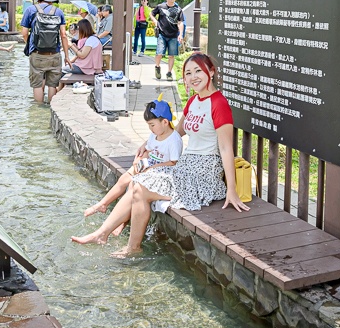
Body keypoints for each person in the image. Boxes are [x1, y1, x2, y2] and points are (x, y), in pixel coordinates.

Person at [72, 53, 248, 256]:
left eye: (198, 71)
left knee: (141, 188)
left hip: (204, 172)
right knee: (137, 180)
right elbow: (176, 132)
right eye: (188, 73)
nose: (193, 77)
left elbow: (226, 149)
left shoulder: (219, 104)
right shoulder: (193, 101)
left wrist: (232, 190)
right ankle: (105, 234)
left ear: (211, 71)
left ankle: (128, 245)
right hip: (184, 166)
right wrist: (147, 144)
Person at [83, 99, 182, 219]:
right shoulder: (155, 134)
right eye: (149, 125)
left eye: (152, 125)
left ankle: (121, 222)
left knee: (132, 185)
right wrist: (140, 161)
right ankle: (102, 204)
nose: (150, 129)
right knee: (124, 179)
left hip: (162, 171)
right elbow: (148, 149)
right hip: (149, 165)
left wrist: (151, 168)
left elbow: (173, 162)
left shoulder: (173, 140)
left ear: (165, 122)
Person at [20, 0, 70, 105]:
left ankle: (38, 111)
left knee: (37, 84)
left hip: (37, 54)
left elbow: (24, 33)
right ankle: (51, 109)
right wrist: (67, 56)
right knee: (52, 85)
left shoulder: (30, 10)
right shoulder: (59, 12)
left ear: (39, 0)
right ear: (51, 1)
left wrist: (30, 45)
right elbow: (63, 35)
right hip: (54, 54)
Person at [152, 0, 185, 81]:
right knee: (159, 53)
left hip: (173, 35)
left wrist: (180, 34)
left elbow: (180, 22)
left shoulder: (178, 10)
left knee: (171, 55)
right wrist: (155, 21)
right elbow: (152, 14)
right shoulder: (160, 7)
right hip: (161, 34)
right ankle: (157, 67)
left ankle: (169, 73)